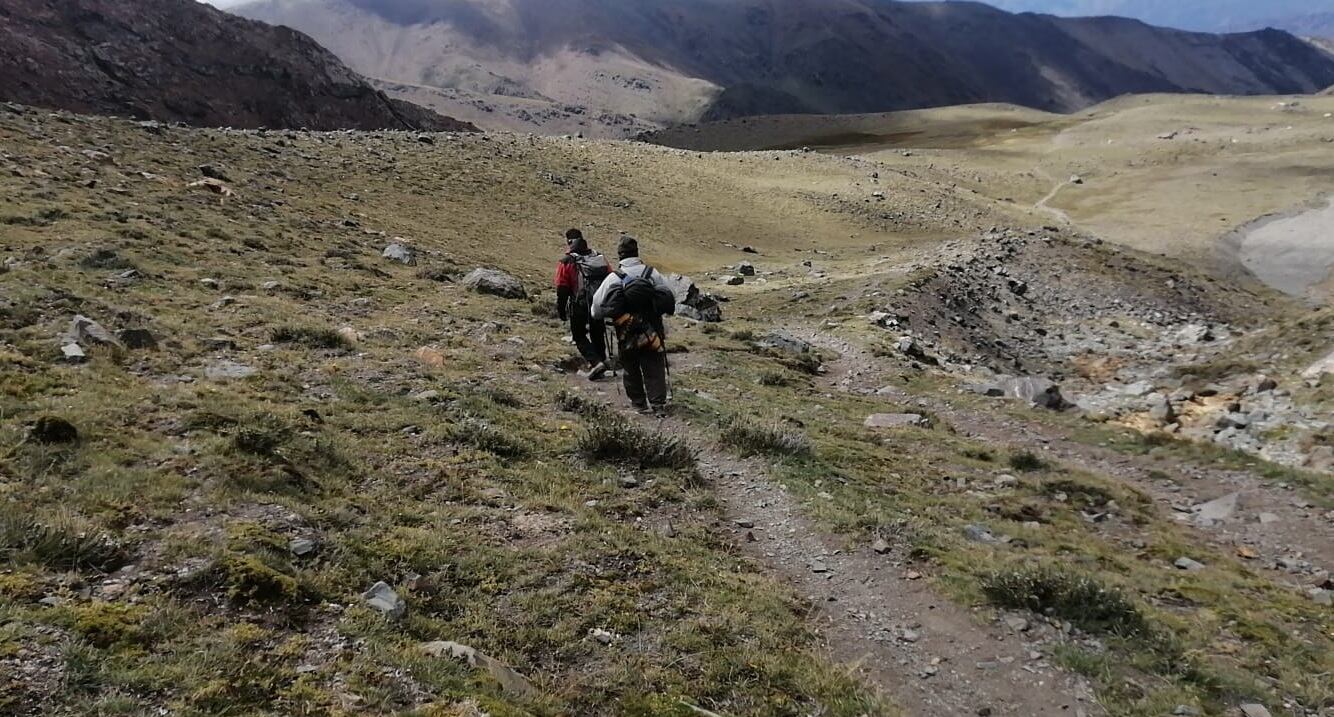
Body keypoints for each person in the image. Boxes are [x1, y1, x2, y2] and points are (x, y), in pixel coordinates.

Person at [591, 236, 676, 415]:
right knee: (654, 364)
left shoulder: (614, 278)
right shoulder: (652, 274)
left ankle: (639, 403)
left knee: (630, 366)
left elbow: (596, 308)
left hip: (626, 331)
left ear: (620, 256)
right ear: (637, 253)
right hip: (652, 330)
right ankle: (658, 404)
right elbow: (669, 295)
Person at [554, 228, 610, 379]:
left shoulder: (567, 261)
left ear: (569, 242)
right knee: (597, 332)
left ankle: (596, 362)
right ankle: (602, 361)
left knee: (578, 335)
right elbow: (610, 278)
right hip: (599, 301)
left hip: (579, 304)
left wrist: (561, 310)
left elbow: (562, 288)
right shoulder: (598, 257)